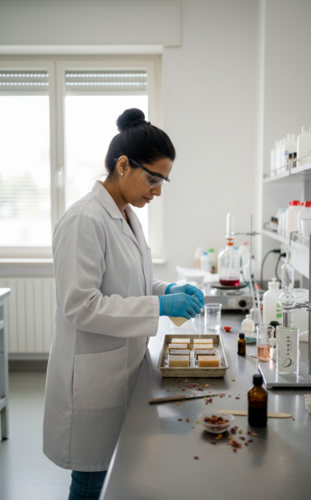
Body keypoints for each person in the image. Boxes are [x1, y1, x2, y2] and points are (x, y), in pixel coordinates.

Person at [43, 108, 204, 500]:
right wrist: (158, 309)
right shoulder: (85, 219)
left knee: (113, 478)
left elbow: (132, 282)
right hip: (93, 380)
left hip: (123, 369)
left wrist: (163, 290)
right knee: (89, 484)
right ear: (122, 166)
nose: (158, 190)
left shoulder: (126, 215)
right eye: (153, 178)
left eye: (164, 180)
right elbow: (81, 305)